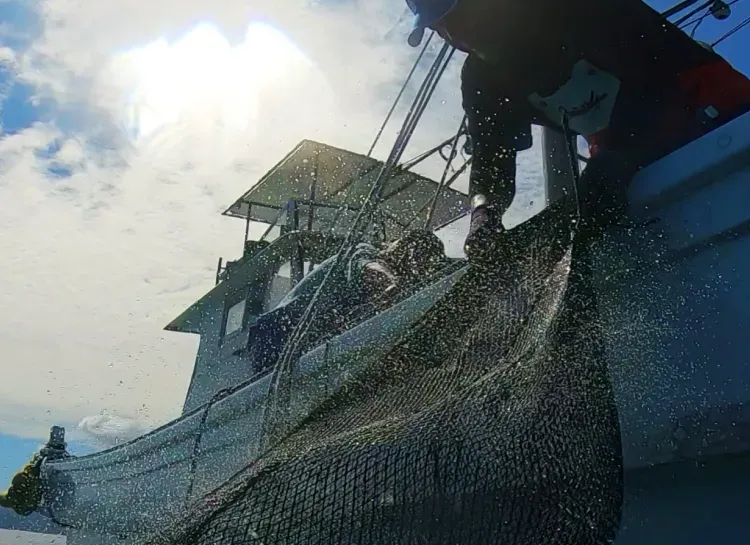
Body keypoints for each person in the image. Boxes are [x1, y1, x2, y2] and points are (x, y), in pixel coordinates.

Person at [405, 0, 750, 257]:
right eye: (442, 28)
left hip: (716, 111)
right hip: (619, 151)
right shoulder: (483, 79)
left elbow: (653, 71)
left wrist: (622, 157)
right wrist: (484, 215)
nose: (457, 36)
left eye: (462, 16)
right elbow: (490, 158)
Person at [250, 230, 449, 372]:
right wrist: (393, 284)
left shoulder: (378, 286)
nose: (406, 257)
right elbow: (371, 269)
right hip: (276, 331)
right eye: (407, 247)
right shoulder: (363, 251)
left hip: (304, 340)